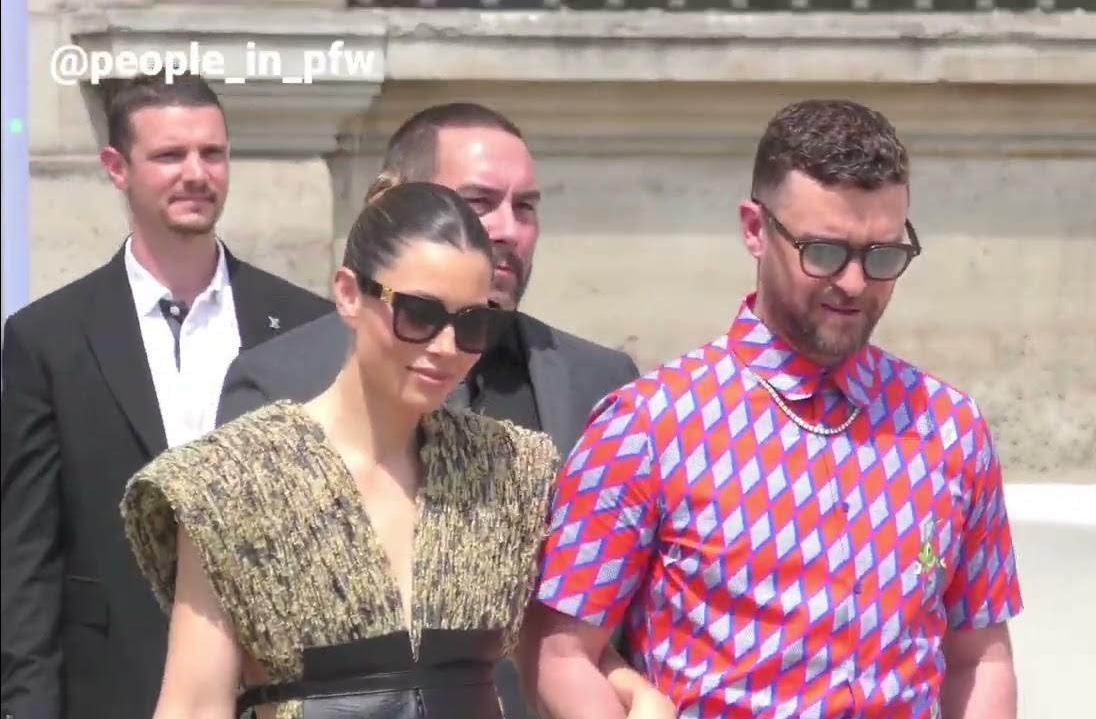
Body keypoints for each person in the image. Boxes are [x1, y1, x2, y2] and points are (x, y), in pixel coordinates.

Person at [526, 99, 1024, 718]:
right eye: (823, 252)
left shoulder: (948, 427)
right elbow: (561, 652)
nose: (853, 283)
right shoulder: (651, 425)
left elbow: (978, 655)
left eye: (883, 256)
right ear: (755, 230)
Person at [117, 181, 673, 719]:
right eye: (419, 314)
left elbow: (549, 648)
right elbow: (194, 704)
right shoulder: (231, 480)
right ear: (347, 294)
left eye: (475, 323)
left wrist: (629, 689)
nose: (446, 347)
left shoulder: (511, 470)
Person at [0, 74, 332, 719]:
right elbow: (26, 555)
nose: (196, 174)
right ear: (116, 168)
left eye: (212, 153)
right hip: (115, 686)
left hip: (274, 691)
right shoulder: (49, 337)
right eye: (170, 156)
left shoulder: (302, 324)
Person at [216, 103, 639, 461]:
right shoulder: (276, 382)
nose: (509, 229)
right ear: (394, 201)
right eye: (479, 202)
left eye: (525, 207)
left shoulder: (598, 382)